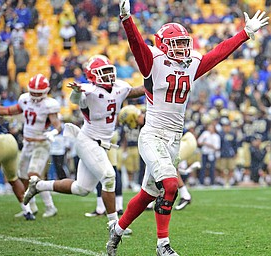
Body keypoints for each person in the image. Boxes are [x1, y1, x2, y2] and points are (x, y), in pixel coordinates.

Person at [106, 1, 269, 255]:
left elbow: (218, 54)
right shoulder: (153, 62)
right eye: (177, 43)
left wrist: (245, 34)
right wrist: (127, 19)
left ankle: (116, 230)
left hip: (173, 139)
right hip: (153, 135)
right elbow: (137, 45)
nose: (182, 47)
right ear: (163, 45)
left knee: (149, 194)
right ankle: (163, 245)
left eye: (184, 42)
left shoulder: (191, 64)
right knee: (170, 186)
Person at [23, 55, 144, 232]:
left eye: (109, 71)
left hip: (100, 143)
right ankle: (115, 225)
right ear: (93, 76)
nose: (108, 75)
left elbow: (135, 91)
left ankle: (39, 185)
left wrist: (155, 84)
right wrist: (77, 91)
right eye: (103, 72)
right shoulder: (88, 90)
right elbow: (75, 99)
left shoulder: (120, 87)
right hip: (88, 140)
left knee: (81, 188)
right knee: (109, 176)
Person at [0, 74, 61, 218]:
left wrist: (53, 132)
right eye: (33, 93)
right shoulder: (25, 100)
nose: (35, 96)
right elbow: (6, 111)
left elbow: (57, 125)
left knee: (33, 175)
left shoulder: (49, 104)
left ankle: (50, 207)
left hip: (41, 144)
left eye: (39, 93)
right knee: (22, 176)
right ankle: (31, 207)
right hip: (27, 143)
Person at [118, 105, 196, 211]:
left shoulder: (149, 121)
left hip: (185, 139)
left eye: (128, 122)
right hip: (183, 139)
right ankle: (184, 195)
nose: (130, 126)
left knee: (164, 166)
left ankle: (160, 198)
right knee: (166, 166)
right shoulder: (147, 121)